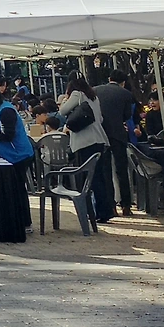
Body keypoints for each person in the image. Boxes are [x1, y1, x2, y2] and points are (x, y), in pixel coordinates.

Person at [59, 73, 114, 223]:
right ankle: (105, 210)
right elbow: (100, 118)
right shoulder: (93, 96)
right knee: (99, 176)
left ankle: (97, 212)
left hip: (85, 141)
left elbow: (63, 111)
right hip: (99, 139)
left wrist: (65, 100)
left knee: (90, 178)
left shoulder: (76, 94)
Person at [94, 73, 139, 216]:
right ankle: (126, 205)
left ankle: (111, 205)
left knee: (105, 170)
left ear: (109, 79)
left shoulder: (95, 90)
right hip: (118, 134)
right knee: (122, 170)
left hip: (102, 133)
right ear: (123, 82)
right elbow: (127, 115)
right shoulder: (126, 94)